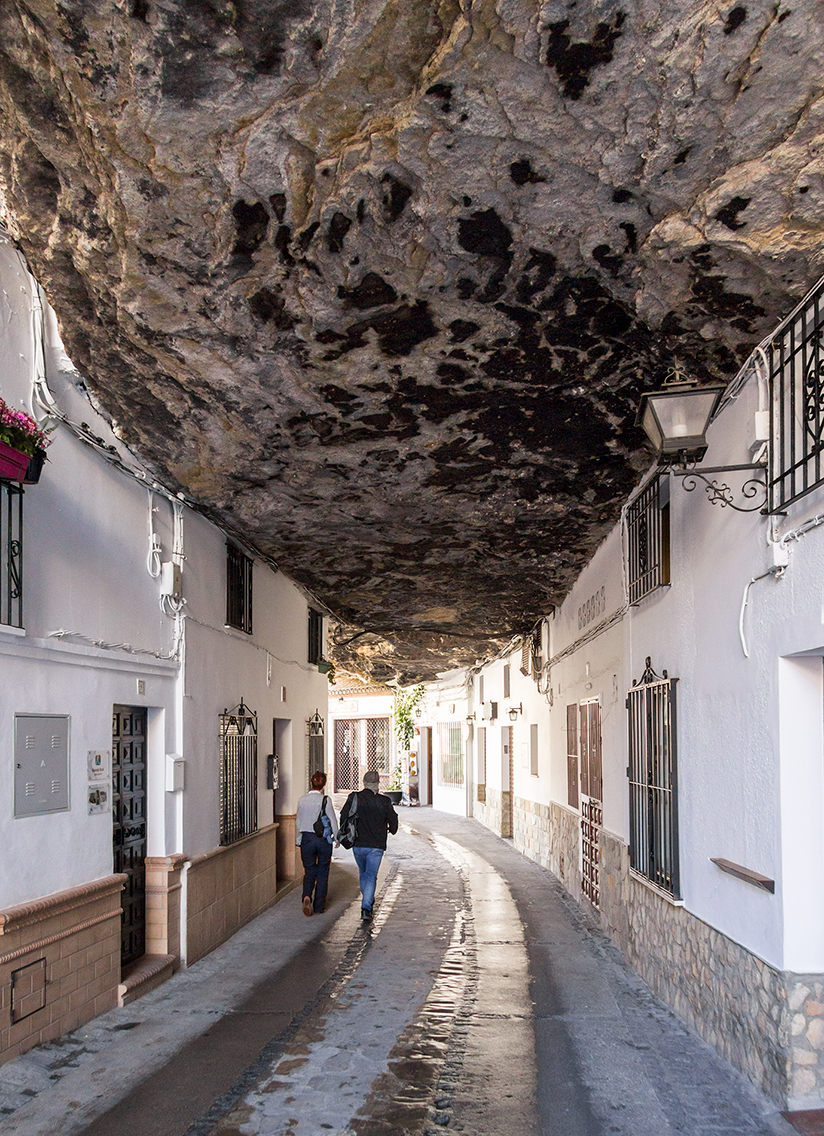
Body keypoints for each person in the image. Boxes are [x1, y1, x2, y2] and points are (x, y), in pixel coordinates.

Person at [338, 769, 398, 922]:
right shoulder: (384, 801)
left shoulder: (355, 798)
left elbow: (344, 816)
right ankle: (366, 907)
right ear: (378, 783)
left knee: (363, 873)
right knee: (371, 876)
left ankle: (368, 899)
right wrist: (391, 829)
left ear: (364, 783)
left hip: (358, 844)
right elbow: (393, 821)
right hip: (376, 845)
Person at [295, 771, 338, 916]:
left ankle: (307, 895)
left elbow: (298, 821)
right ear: (324, 784)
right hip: (322, 840)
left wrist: (298, 838)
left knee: (309, 870)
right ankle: (319, 906)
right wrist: (337, 837)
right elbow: (332, 820)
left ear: (311, 783)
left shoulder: (302, 800)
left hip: (306, 838)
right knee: (323, 871)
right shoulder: (325, 800)